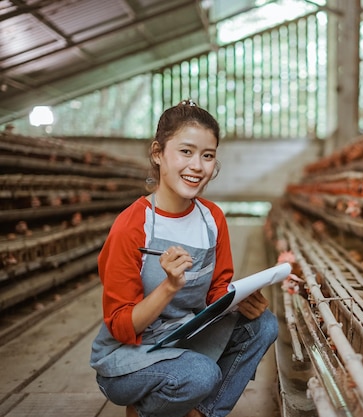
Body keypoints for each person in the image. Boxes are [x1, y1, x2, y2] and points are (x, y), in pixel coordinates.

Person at [90, 99, 278, 417]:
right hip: (130, 357)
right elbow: (122, 327)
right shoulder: (133, 224)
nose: (197, 166)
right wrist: (168, 287)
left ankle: (201, 412)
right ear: (158, 153)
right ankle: (145, 408)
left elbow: (217, 290)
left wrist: (240, 299)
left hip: (183, 337)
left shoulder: (211, 218)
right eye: (186, 152)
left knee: (263, 324)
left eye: (207, 156)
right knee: (201, 374)